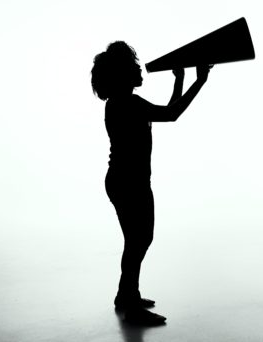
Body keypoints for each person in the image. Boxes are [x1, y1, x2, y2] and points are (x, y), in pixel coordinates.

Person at [91, 41, 211, 326]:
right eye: (134, 66)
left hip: (124, 181)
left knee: (137, 241)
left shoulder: (120, 103)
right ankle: (130, 304)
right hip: (129, 183)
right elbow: (172, 114)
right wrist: (199, 81)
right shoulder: (128, 104)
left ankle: (126, 294)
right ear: (123, 76)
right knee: (138, 241)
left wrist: (181, 79)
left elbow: (168, 110)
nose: (140, 69)